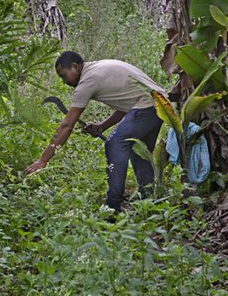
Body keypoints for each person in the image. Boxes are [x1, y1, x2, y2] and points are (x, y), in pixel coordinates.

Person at [24, 51, 166, 212]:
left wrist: (43, 160)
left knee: (115, 144)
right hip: (160, 105)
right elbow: (128, 101)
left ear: (75, 67)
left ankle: (112, 206)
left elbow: (67, 125)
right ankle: (147, 202)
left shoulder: (87, 81)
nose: (64, 82)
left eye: (63, 76)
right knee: (139, 151)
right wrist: (102, 126)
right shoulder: (98, 68)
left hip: (147, 106)